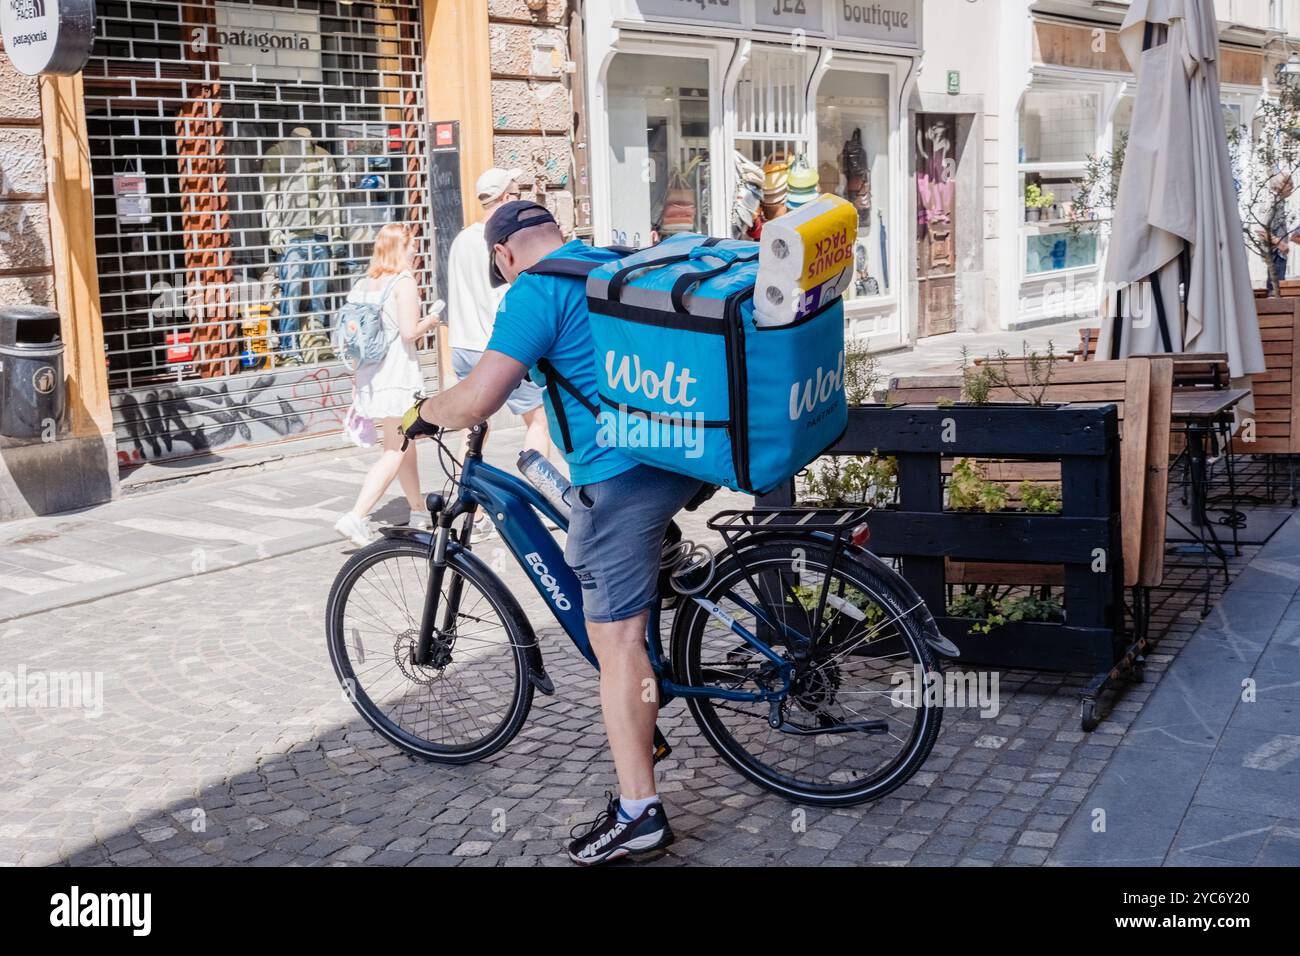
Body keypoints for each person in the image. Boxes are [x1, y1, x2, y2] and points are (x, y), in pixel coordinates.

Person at [403, 202, 705, 866]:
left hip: (626, 476)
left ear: (504, 255)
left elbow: (480, 397)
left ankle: (639, 812)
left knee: (617, 637)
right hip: (682, 452)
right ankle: (648, 687)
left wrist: (423, 412)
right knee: (605, 549)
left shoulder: (535, 291)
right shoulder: (611, 263)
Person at [333, 224, 440, 547]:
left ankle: (418, 510)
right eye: (411, 246)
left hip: (369, 377)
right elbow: (409, 332)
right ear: (399, 248)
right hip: (396, 375)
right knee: (396, 450)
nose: (415, 251)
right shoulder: (403, 282)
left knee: (402, 443)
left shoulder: (363, 284)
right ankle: (357, 516)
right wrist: (432, 320)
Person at [446, 168, 552, 460]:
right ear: (506, 197)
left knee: (473, 428)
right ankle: (540, 490)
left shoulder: (461, 239)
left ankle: (464, 492)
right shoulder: (505, 241)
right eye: (518, 194)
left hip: (463, 345)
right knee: (539, 421)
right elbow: (511, 296)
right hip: (498, 347)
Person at [1262, 173, 1300, 295]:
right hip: (1274, 253)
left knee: (1278, 290)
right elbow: (1260, 229)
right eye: (1288, 183)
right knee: (1275, 291)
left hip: (1279, 254)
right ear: (1279, 185)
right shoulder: (1271, 202)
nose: (1292, 186)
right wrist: (1279, 243)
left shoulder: (1281, 203)